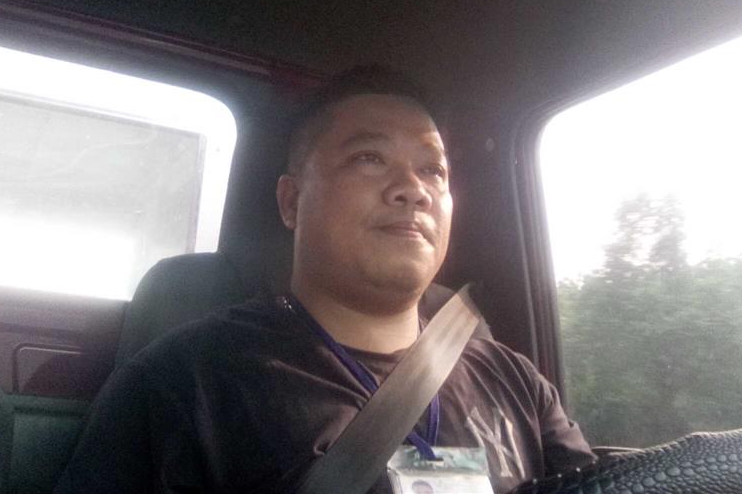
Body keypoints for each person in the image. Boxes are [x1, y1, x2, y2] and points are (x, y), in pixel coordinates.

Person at [55, 66, 595, 493]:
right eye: (369, 158)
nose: (413, 189)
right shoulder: (184, 384)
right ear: (291, 202)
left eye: (433, 169)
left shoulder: (517, 383)